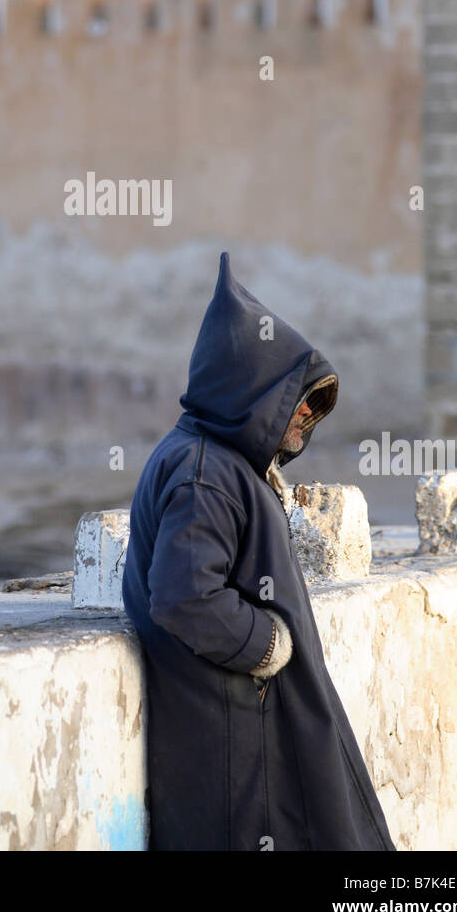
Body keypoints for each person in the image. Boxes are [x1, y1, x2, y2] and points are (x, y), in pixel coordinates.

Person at [121, 251, 396, 852]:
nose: (304, 416)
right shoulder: (204, 471)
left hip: (251, 730)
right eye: (296, 399)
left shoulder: (221, 462)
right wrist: (266, 645)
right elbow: (185, 596)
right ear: (250, 392)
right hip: (235, 742)